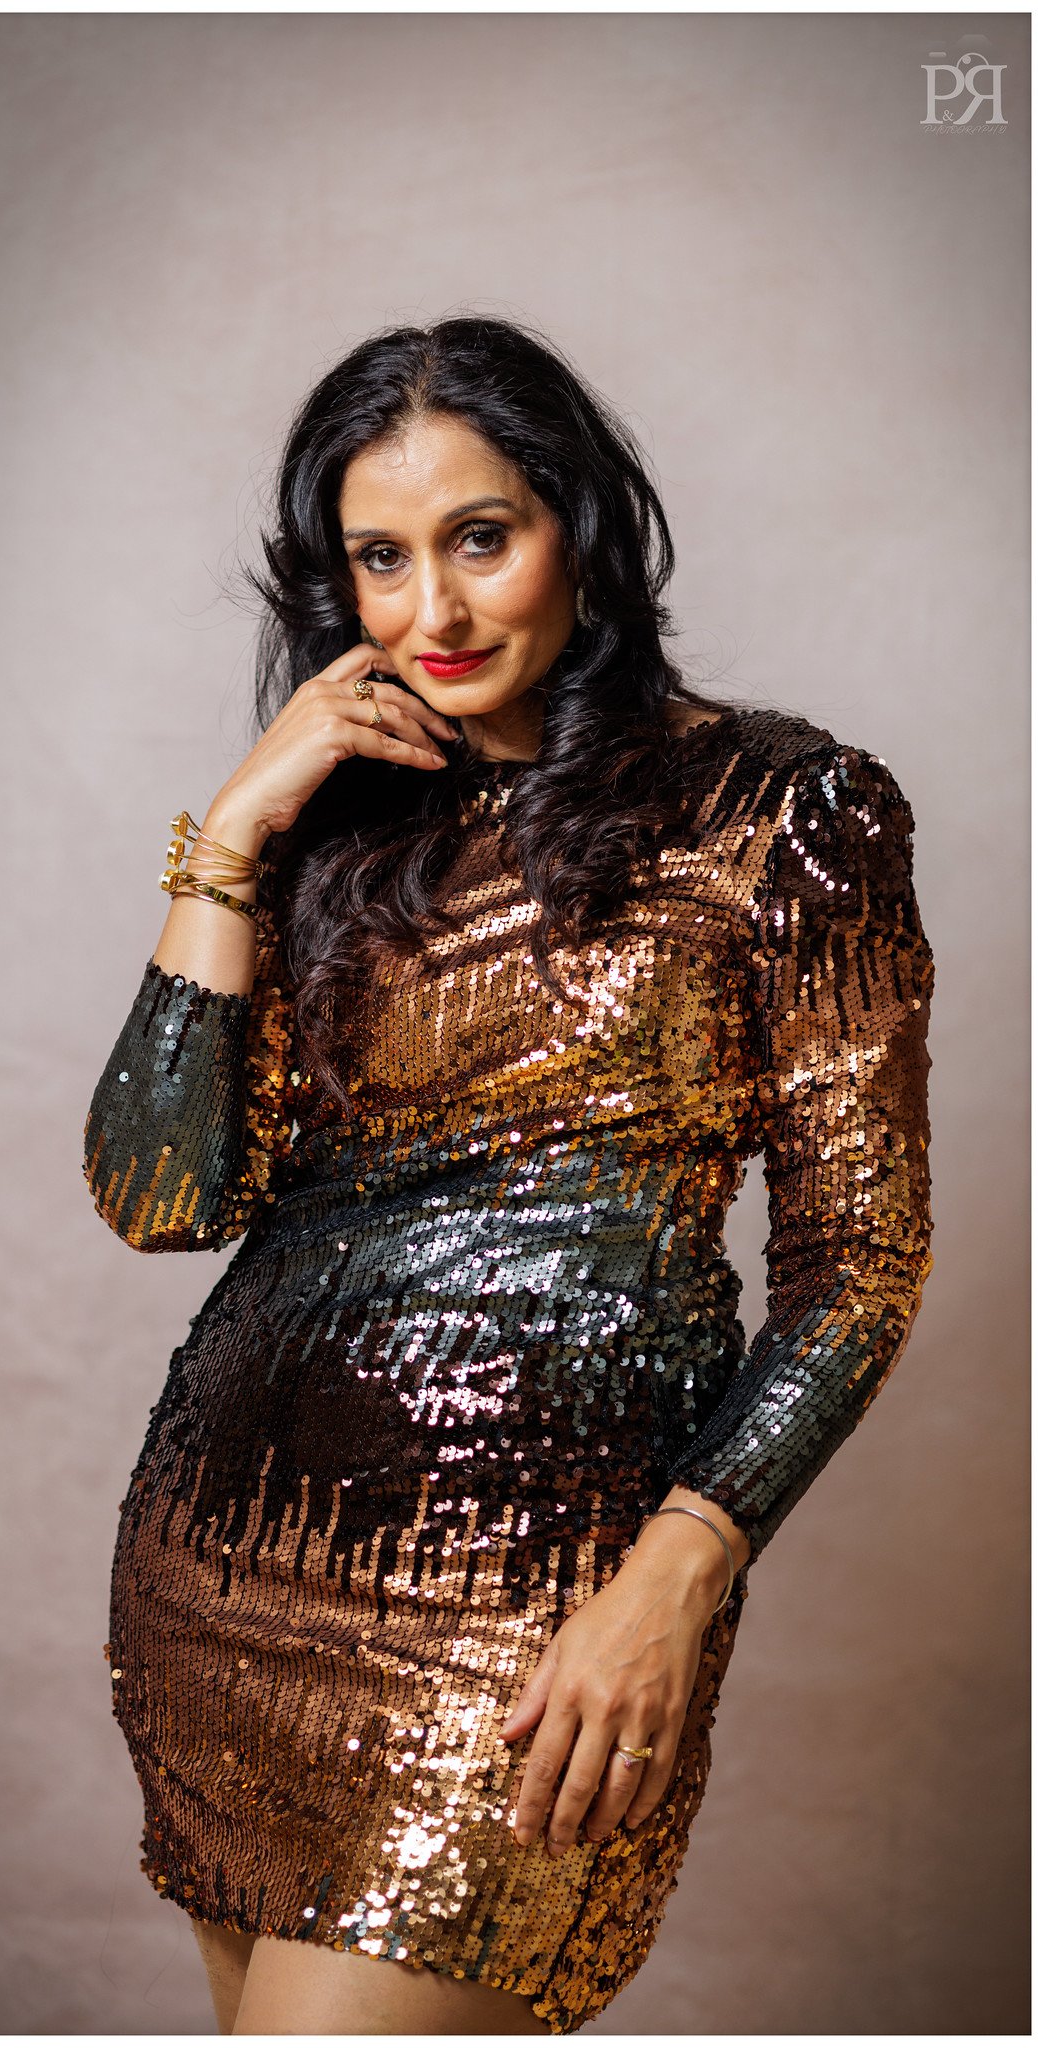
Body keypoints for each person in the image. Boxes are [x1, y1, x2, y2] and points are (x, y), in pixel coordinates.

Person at [82, 316, 934, 2037]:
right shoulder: (335, 838)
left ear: (578, 527)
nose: (434, 614)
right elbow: (159, 1199)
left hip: (535, 1613)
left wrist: (678, 1576)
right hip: (225, 1578)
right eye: (378, 562)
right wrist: (234, 836)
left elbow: (859, 1265)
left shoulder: (786, 809)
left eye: (481, 538)